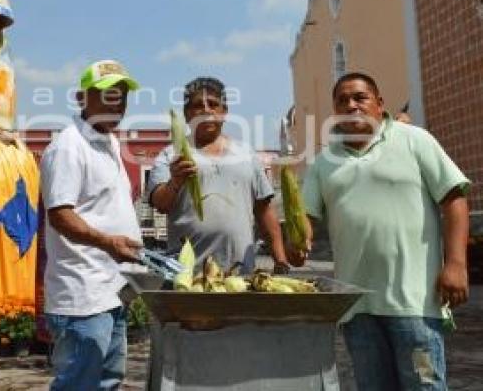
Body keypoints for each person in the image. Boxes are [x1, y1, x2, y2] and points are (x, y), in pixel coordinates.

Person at [295, 72, 469, 391]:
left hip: (415, 303)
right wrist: (298, 240)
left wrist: (456, 264)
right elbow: (305, 216)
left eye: (360, 97)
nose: (351, 105)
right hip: (357, 309)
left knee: (425, 386)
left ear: (379, 104)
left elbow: (454, 199)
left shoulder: (414, 140)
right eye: (342, 100)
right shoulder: (323, 163)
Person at [41, 59, 143, 391]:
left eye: (123, 97)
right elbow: (60, 214)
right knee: (79, 384)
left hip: (110, 292)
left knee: (108, 381)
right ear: (82, 98)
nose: (118, 104)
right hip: (82, 296)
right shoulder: (69, 146)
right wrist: (108, 243)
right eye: (108, 95)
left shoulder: (110, 142)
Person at [147, 76, 289, 274]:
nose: (206, 110)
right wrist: (175, 182)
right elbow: (160, 204)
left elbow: (264, 211)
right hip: (188, 276)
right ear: (187, 115)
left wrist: (280, 260)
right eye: (198, 105)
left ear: (224, 112)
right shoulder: (170, 155)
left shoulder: (246, 154)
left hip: (240, 274)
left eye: (213, 104)